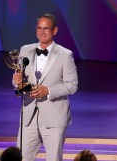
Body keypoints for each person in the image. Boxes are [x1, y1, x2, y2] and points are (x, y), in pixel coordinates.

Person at [12, 13, 78, 161]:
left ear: (54, 31)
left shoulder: (65, 55)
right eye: (39, 28)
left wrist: (48, 90)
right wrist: (17, 81)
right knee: (21, 158)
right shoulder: (25, 50)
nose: (42, 32)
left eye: (46, 29)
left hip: (54, 117)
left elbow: (72, 86)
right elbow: (18, 79)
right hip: (29, 115)